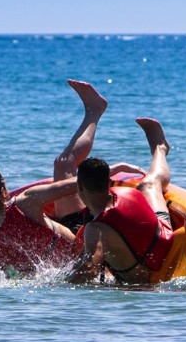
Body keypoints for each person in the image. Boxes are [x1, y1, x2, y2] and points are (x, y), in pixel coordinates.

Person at [0, 79, 108, 275]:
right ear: (2, 190)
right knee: (64, 163)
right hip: (80, 246)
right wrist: (112, 172)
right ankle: (94, 110)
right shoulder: (24, 203)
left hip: (52, 273)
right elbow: (76, 184)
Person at [69, 117, 177, 285]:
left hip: (146, 274)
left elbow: (90, 270)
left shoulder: (96, 228)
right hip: (165, 236)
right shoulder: (127, 192)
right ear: (109, 182)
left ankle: (161, 147)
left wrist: (57, 286)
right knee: (149, 184)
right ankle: (160, 148)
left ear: (80, 187)